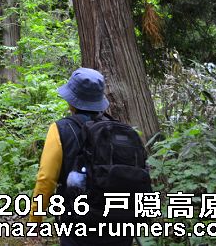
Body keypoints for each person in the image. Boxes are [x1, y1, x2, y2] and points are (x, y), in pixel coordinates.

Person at [29, 68, 137, 246]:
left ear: (71, 101)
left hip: (78, 225)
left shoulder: (60, 129)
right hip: (120, 223)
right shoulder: (119, 129)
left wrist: (35, 220)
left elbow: (46, 179)